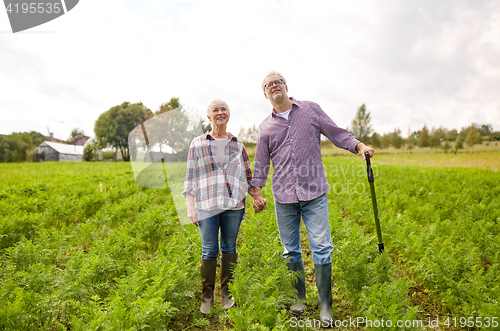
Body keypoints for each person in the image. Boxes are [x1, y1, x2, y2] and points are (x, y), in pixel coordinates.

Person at [252, 71, 374, 326]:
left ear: (286, 86)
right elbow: (262, 163)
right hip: (284, 197)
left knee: (321, 248)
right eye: (268, 85)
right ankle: (299, 299)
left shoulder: (310, 109)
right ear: (265, 94)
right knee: (290, 251)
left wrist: (359, 146)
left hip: (314, 193)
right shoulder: (265, 127)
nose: (274, 86)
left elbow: (336, 133)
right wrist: (256, 191)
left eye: (277, 82)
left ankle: (325, 306)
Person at [183, 99, 266, 315]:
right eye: (215, 110)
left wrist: (257, 197)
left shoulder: (237, 144)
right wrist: (190, 208)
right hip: (207, 204)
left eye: (224, 109)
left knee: (229, 248)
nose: (220, 112)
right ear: (209, 117)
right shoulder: (197, 144)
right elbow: (190, 178)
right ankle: (207, 297)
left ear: (228, 115)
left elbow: (248, 176)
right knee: (209, 250)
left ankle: (227, 294)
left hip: (234, 205)